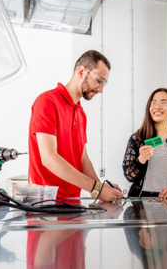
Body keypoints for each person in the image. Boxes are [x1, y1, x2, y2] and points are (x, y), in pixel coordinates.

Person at [28, 50, 124, 202]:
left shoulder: (80, 113)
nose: (100, 89)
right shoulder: (47, 101)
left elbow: (83, 160)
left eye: (104, 83)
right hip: (45, 205)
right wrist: (97, 189)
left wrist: (103, 189)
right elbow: (48, 158)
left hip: (72, 203)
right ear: (81, 71)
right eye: (99, 80)